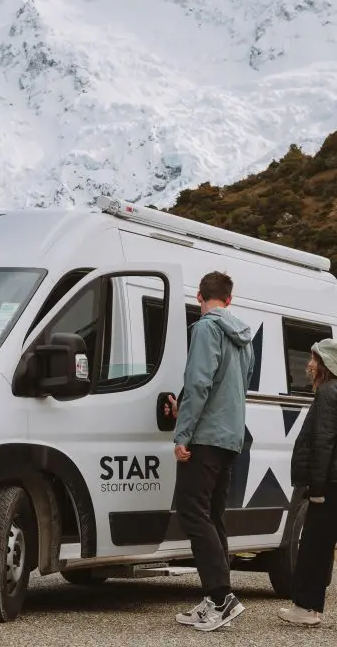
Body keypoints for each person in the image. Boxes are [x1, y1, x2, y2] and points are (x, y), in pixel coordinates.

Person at [172, 271, 255, 632]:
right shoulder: (244, 337)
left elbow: (199, 382)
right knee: (213, 515)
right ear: (230, 299)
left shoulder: (205, 329)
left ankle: (221, 598)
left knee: (193, 512)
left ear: (199, 297)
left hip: (204, 437)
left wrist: (183, 433)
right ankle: (216, 600)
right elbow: (237, 386)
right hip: (231, 436)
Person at [278, 339, 337, 627]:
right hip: (332, 482)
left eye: (315, 360)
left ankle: (306, 608)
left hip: (328, 484)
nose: (309, 365)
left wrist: (318, 489)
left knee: (314, 546)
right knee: (322, 547)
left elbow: (323, 442)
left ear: (326, 365)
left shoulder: (327, 392)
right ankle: (309, 606)